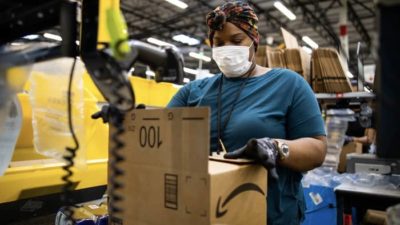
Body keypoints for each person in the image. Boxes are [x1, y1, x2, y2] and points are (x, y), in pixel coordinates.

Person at [167, 2, 327, 225]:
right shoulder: (192, 92)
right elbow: (159, 134)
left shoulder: (289, 84)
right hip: (207, 213)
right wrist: (127, 119)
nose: (226, 48)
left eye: (236, 40)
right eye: (219, 42)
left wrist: (275, 147)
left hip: (271, 215)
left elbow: (318, 150)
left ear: (254, 40)